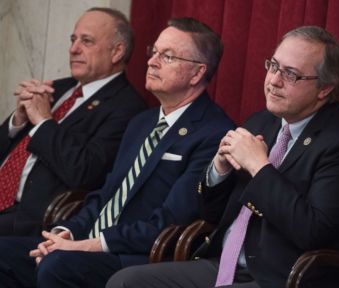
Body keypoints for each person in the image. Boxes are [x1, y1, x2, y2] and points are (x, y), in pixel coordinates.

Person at [106, 26, 339, 288]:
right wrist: (218, 171)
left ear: (325, 88)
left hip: (283, 276)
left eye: (291, 74)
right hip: (223, 263)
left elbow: (312, 230)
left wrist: (259, 167)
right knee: (125, 281)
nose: (274, 81)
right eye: (273, 66)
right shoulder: (262, 122)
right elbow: (210, 212)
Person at [0, 17, 234, 288]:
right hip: (90, 241)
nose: (152, 62)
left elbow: (170, 221)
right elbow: (105, 195)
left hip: (136, 255)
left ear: (196, 73)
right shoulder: (142, 123)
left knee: (57, 266)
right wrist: (64, 233)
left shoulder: (213, 133)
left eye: (167, 56)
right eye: (154, 52)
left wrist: (86, 246)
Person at [0, 7, 146, 236]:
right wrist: (17, 121)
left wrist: (43, 121)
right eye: (73, 39)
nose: (73, 49)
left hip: (29, 218)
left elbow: (84, 172)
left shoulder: (128, 108)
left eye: (86, 41)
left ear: (117, 52)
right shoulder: (57, 89)